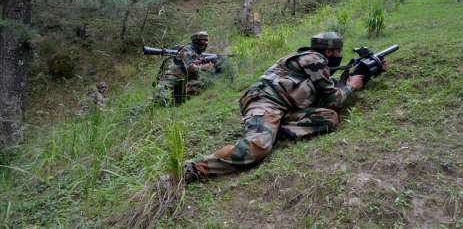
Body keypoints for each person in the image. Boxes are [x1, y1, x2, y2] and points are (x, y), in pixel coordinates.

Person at [183, 31, 388, 182]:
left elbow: (327, 99)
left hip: (284, 109)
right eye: (337, 51)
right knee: (257, 147)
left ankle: (274, 130)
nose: (339, 55)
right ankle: (194, 168)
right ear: (328, 51)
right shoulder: (314, 59)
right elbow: (335, 98)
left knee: (329, 117)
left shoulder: (314, 62)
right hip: (264, 103)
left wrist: (366, 73)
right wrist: (351, 87)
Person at [154, 31, 215, 106]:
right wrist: (204, 67)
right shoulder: (187, 50)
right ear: (196, 41)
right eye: (203, 40)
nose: (206, 43)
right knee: (159, 99)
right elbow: (190, 67)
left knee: (179, 103)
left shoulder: (197, 52)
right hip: (171, 75)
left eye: (206, 40)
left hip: (181, 78)